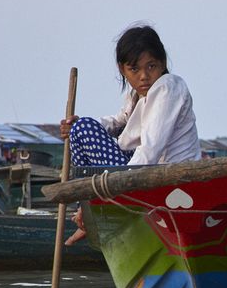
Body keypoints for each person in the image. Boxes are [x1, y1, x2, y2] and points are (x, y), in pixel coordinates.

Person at [60, 25, 201, 244]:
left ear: (163, 63)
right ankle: (86, 214)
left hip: (163, 179)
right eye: (135, 70)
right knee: (82, 128)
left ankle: (90, 216)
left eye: (151, 66)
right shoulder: (137, 96)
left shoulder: (167, 87)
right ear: (123, 70)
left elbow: (150, 149)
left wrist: (125, 182)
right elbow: (119, 121)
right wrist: (76, 126)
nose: (144, 76)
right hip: (142, 173)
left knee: (84, 129)